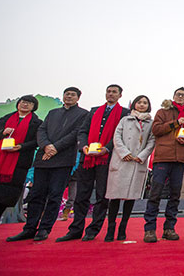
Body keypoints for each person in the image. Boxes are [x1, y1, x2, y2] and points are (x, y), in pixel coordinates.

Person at [7, 88, 88, 242]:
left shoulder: (83, 114)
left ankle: (44, 229)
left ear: (78, 98)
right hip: (43, 159)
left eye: (72, 95)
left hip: (63, 160)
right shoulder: (52, 113)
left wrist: (55, 148)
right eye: (67, 94)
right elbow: (41, 130)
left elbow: (76, 133)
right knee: (36, 194)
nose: (69, 96)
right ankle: (29, 228)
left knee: (54, 195)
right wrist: (46, 146)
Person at [56, 84, 130, 242]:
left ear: (120, 95)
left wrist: (107, 148)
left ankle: (93, 229)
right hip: (88, 158)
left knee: (102, 196)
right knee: (81, 195)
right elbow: (83, 130)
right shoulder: (94, 110)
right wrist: (83, 146)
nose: (110, 94)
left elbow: (121, 134)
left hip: (106, 159)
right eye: (108, 91)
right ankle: (76, 229)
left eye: (114, 92)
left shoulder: (124, 113)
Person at [0, 95, 42, 241]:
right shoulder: (5, 118)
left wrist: (21, 147)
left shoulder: (36, 123)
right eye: (23, 102)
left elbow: (36, 142)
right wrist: (2, 133)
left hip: (17, 165)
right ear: (18, 104)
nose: (25, 105)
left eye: (29, 103)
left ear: (33, 107)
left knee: (2, 198)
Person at [143, 87, 184, 243]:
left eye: (183, 96)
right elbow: (156, 130)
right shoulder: (162, 112)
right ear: (173, 96)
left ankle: (169, 228)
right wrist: (175, 123)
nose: (181, 97)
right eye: (178, 95)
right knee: (155, 193)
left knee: (175, 195)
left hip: (179, 159)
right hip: (163, 157)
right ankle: (150, 229)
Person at [104, 95, 156, 242]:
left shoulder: (150, 124)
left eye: (145, 103)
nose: (142, 105)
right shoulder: (125, 120)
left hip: (137, 161)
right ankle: (111, 228)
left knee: (130, 197)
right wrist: (124, 153)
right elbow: (117, 137)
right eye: (139, 102)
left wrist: (142, 155)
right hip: (122, 160)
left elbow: (151, 141)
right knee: (114, 196)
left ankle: (123, 228)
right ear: (134, 104)